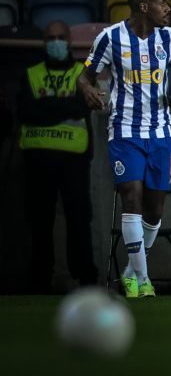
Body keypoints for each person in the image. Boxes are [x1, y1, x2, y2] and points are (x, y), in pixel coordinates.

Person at [78, 0, 171, 298]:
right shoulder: (110, 38)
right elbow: (85, 75)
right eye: (162, 3)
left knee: (154, 210)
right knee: (131, 197)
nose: (168, 9)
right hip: (124, 131)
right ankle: (144, 282)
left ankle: (130, 273)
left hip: (161, 133)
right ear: (144, 7)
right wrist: (87, 89)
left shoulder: (169, 38)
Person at [19, 20, 98, 292]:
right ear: (44, 43)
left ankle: (86, 277)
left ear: (69, 41)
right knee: (39, 222)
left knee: (79, 219)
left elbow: (82, 108)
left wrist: (48, 106)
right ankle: (40, 279)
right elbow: (27, 111)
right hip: (37, 159)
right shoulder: (30, 73)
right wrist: (64, 106)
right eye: (50, 38)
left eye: (60, 37)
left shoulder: (83, 73)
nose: (56, 42)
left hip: (74, 160)